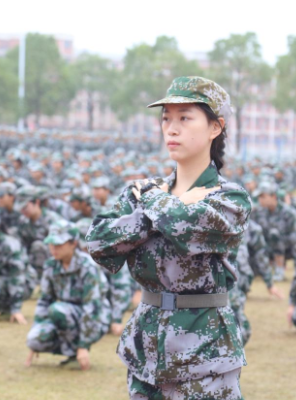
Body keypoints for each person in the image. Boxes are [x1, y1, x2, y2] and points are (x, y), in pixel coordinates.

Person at [87, 76, 251, 399]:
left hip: (204, 349)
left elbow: (184, 227)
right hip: (146, 347)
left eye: (185, 118)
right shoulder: (145, 191)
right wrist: (157, 211)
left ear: (215, 128)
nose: (171, 129)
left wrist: (151, 202)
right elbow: (98, 243)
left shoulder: (229, 198)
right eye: (166, 119)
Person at [25, 220, 110, 370]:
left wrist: (84, 345)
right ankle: (69, 351)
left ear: (73, 243)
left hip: (95, 319)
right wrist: (38, 328)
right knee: (34, 339)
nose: (53, 248)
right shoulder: (51, 265)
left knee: (58, 310)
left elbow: (92, 307)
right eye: (51, 244)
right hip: (65, 315)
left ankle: (76, 354)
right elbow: (44, 300)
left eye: (58, 244)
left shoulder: (88, 267)